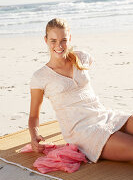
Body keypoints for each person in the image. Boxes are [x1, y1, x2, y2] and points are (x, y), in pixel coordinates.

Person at [29, 18, 133, 163]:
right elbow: (34, 115)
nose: (59, 45)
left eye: (63, 40)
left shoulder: (81, 57)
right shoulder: (40, 77)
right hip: (82, 130)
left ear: (69, 38)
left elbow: (88, 64)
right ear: (45, 40)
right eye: (53, 40)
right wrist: (35, 136)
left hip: (104, 115)